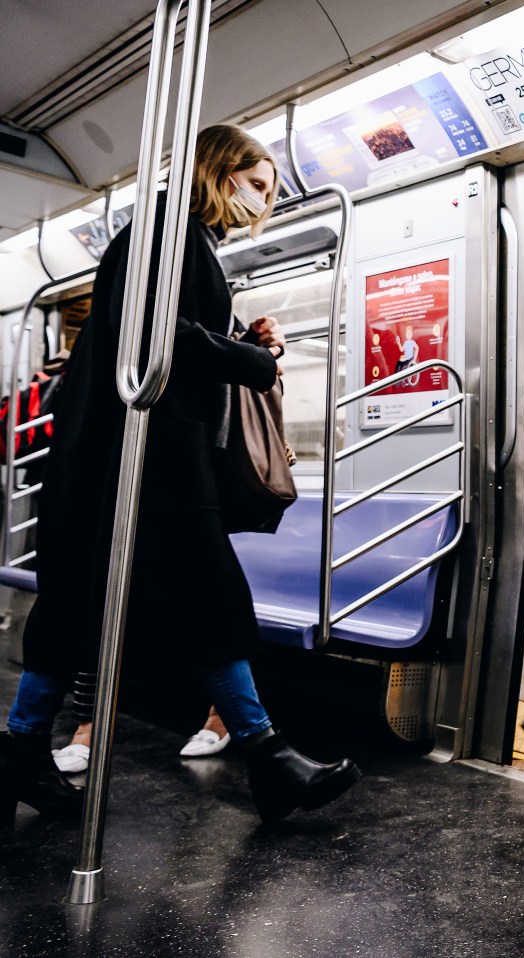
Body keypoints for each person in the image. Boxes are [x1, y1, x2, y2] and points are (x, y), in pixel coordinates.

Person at [0, 123, 358, 825]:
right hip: (143, 455)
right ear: (219, 171)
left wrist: (232, 342)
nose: (261, 202)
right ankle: (268, 755)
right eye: (255, 185)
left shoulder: (172, 239)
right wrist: (251, 362)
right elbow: (154, 341)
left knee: (92, 605)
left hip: (125, 454)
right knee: (207, 598)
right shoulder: (168, 231)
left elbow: (170, 334)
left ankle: (19, 753)